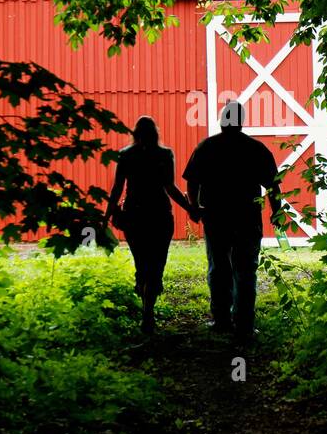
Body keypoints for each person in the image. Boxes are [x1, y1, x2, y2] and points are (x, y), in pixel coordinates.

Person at [182, 101, 281, 344]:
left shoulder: (206, 147)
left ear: (222, 120)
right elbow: (273, 186)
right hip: (247, 217)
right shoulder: (256, 149)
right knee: (246, 268)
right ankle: (245, 324)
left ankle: (221, 320)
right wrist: (276, 213)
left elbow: (192, 182)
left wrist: (194, 207)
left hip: (216, 217)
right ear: (241, 121)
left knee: (218, 266)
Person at [105, 116, 195, 335]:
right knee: (156, 263)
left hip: (134, 215)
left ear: (135, 133)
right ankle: (148, 309)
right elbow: (170, 187)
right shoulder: (164, 154)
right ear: (156, 133)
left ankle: (144, 295)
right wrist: (190, 208)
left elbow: (117, 187)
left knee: (142, 262)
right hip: (159, 215)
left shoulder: (126, 155)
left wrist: (106, 215)